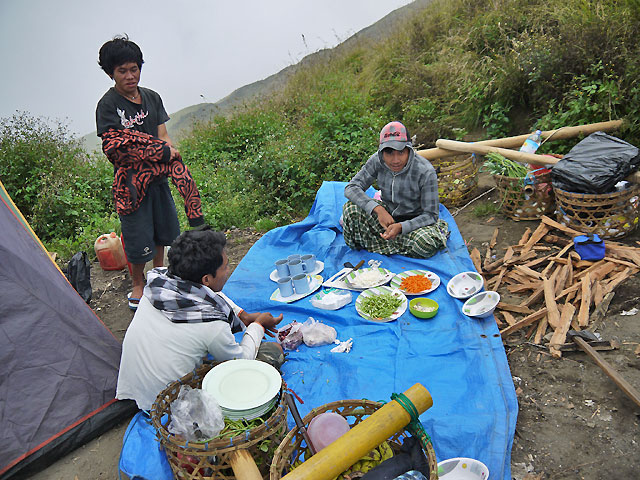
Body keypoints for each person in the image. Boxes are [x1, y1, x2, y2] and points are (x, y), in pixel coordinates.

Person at [116, 228, 284, 411]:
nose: (229, 270)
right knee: (272, 352)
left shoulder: (158, 281)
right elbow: (241, 360)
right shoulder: (211, 324)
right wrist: (257, 326)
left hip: (134, 388)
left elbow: (211, 295)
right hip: (171, 404)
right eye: (226, 266)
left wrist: (242, 315)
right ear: (206, 279)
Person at [96, 34, 205, 311]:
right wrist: (155, 151)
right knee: (136, 234)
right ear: (111, 73)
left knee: (162, 230)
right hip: (131, 185)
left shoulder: (152, 98)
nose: (130, 76)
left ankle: (159, 274)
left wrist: (167, 155)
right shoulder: (108, 106)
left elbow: (162, 134)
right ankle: (137, 283)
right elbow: (116, 148)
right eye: (123, 71)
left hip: (157, 179)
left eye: (134, 69)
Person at [342, 121, 449, 258]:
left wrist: (401, 227)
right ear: (381, 151)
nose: (395, 160)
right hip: (387, 218)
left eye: (401, 152)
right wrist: (378, 209)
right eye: (389, 153)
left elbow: (430, 215)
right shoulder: (377, 160)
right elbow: (351, 188)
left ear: (409, 149)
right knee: (350, 210)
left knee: (424, 243)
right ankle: (394, 244)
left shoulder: (425, 170)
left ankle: (379, 244)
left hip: (415, 223)